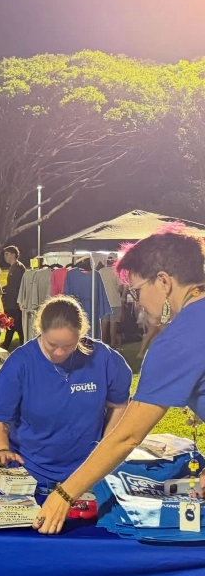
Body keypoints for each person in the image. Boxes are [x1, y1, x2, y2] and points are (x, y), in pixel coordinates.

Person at [36, 229, 205, 534]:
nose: (136, 302)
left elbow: (128, 436)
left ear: (164, 282)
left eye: (136, 290)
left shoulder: (177, 341)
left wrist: (64, 494)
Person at [0, 296, 131, 492]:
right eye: (52, 345)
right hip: (33, 473)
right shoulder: (20, 363)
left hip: (87, 473)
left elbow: (119, 404)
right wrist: (2, 448)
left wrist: (105, 447)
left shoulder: (105, 359)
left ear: (81, 334)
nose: (60, 353)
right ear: (40, 331)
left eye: (69, 345)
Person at [2, 245, 26, 349]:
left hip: (14, 305)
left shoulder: (17, 268)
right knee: (15, 328)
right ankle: (8, 347)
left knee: (13, 327)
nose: (5, 256)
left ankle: (5, 348)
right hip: (12, 304)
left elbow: (18, 286)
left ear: (13, 255)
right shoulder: (13, 267)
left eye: (7, 254)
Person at [98, 254, 123, 346]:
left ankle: (103, 343)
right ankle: (113, 343)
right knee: (113, 324)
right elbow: (120, 288)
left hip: (103, 302)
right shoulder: (116, 272)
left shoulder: (100, 271)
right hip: (115, 302)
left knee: (103, 324)